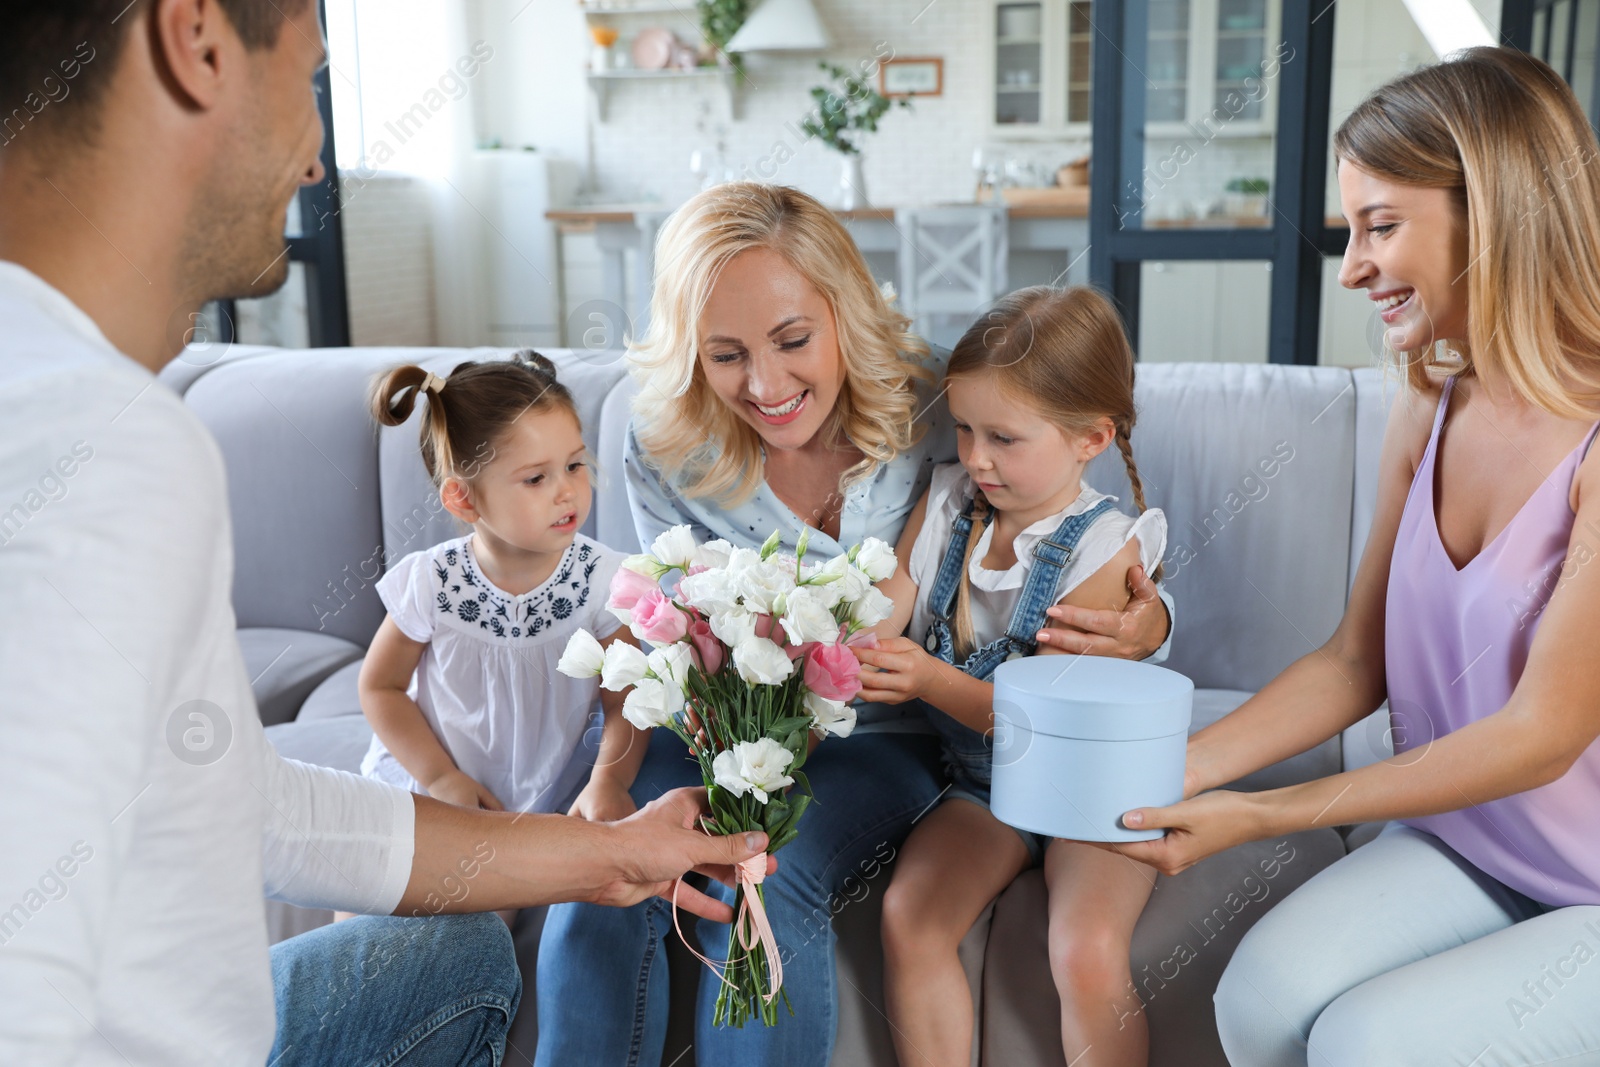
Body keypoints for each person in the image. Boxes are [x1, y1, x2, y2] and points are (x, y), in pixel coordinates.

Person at [0, 4, 767, 1065]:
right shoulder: (79, 438)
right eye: (311, 76)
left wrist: (605, 854)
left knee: (448, 960)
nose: (318, 157)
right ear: (199, 42)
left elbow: (251, 803)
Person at [535, 184, 1175, 1067]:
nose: (766, 385)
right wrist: (612, 782)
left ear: (845, 310)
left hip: (883, 733)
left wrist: (1153, 620)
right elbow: (665, 634)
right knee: (589, 870)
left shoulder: (944, 412)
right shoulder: (665, 445)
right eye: (726, 355)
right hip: (724, 725)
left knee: (764, 870)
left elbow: (1061, 516)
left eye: (794, 340)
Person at [1089, 48, 1600, 1066]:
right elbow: (1352, 660)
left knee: (1370, 1042)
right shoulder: (1430, 397)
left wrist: (1258, 810)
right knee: (1262, 998)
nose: (1353, 264)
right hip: (1471, 841)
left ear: (1493, 213)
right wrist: (1172, 775)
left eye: (1381, 225)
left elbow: (1542, 734)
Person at [856, 285, 1168, 1067]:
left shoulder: (1109, 550)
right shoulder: (945, 504)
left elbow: (1039, 721)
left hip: (1092, 790)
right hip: (985, 787)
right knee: (910, 915)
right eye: (962, 428)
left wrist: (923, 676)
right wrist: (830, 646)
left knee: (1086, 947)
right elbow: (884, 608)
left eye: (1004, 437)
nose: (974, 457)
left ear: (1091, 437)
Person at [359, 353, 645, 824]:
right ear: (464, 498)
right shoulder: (432, 581)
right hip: (441, 787)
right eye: (536, 478)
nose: (567, 491)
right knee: (366, 884)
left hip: (554, 792)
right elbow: (380, 686)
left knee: (495, 891)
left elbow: (625, 703)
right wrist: (440, 778)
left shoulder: (603, 582)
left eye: (574, 465)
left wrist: (608, 782)